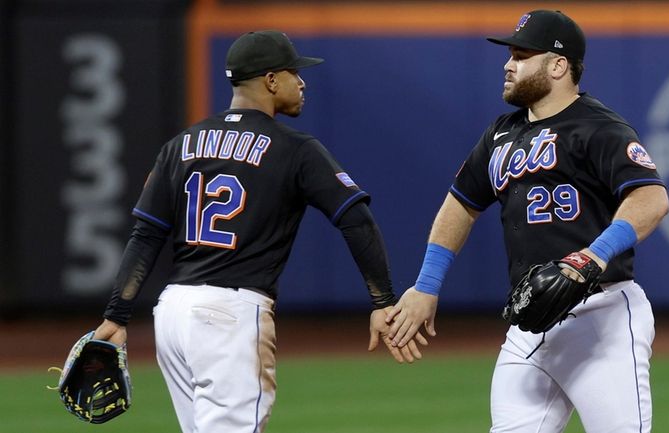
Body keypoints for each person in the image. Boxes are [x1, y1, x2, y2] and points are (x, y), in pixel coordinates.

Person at [89, 30, 427, 433]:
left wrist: (117, 314)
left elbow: (146, 235)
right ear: (270, 81)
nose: (301, 82)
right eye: (293, 73)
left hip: (173, 313)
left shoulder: (181, 144)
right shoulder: (294, 148)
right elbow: (356, 219)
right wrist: (382, 300)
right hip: (229, 315)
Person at [385, 10, 669, 433]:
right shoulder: (502, 133)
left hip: (601, 315)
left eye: (521, 55)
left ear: (558, 65)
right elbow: (460, 205)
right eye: (510, 55)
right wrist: (427, 286)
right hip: (530, 322)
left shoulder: (597, 126)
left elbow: (650, 198)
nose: (508, 64)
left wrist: (593, 256)